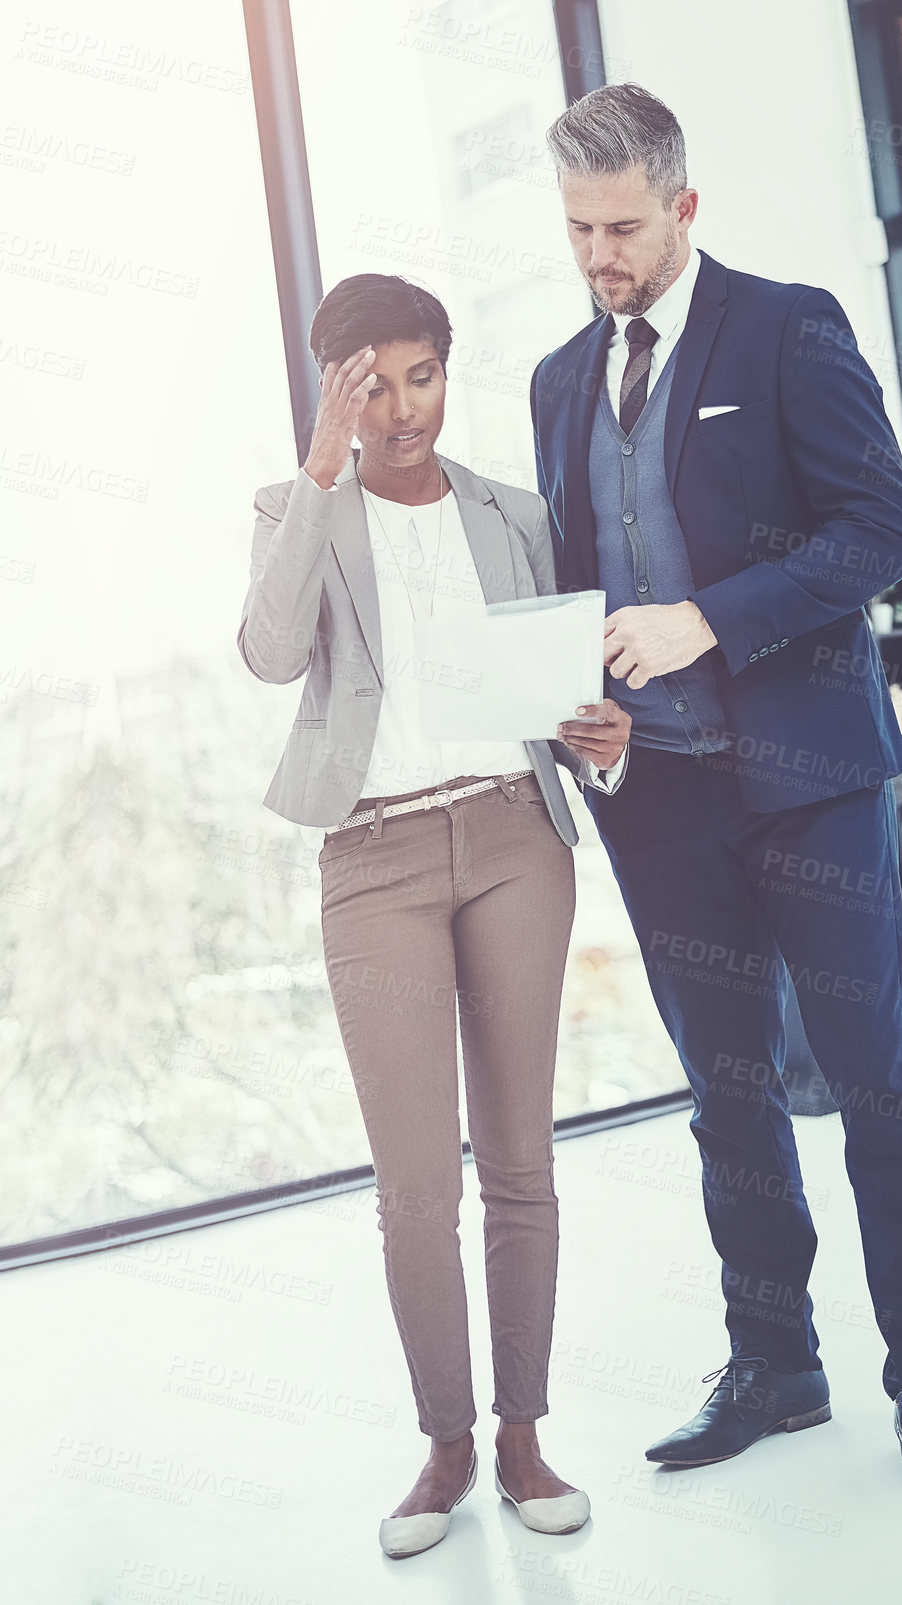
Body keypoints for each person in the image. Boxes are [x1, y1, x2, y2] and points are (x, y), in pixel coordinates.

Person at [530, 83, 902, 1499]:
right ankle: (775, 1362)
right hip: (655, 796)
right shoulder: (559, 379)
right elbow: (573, 579)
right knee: (724, 1092)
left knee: (875, 1083)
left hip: (809, 781)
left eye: (620, 225)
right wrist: (585, 698)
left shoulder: (786, 326)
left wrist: (711, 618)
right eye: (576, 230)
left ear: (682, 206)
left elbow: (882, 532)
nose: (599, 254)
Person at [237, 273, 631, 1556]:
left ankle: (523, 1436)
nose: (404, 409)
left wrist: (602, 735)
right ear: (338, 390)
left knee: (521, 1165)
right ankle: (446, 1443)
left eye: (422, 376)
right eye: (372, 385)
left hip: (516, 833)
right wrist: (319, 463)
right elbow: (270, 649)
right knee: (417, 1188)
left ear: (447, 374)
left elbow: (558, 689)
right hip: (374, 861)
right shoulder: (300, 512)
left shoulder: (514, 517)